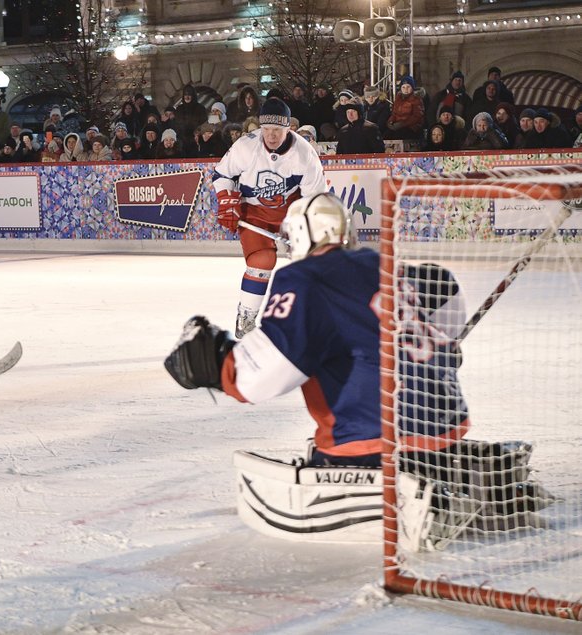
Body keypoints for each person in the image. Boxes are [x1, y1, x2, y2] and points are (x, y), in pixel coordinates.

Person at [164, 192, 470, 467]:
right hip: (448, 430)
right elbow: (443, 285)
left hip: (374, 444)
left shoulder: (306, 278)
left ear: (299, 234)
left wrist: (219, 365)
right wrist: (441, 351)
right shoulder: (385, 263)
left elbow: (263, 375)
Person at [212, 98, 327, 338]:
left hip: (291, 214)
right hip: (254, 214)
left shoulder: (305, 154)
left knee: (310, 264)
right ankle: (246, 318)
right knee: (262, 260)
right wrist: (226, 200)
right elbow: (222, 175)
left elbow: (314, 199)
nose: (271, 136)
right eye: (266, 129)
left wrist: (305, 229)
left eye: (277, 130)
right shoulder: (246, 147)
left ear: (289, 128)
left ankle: (308, 319)